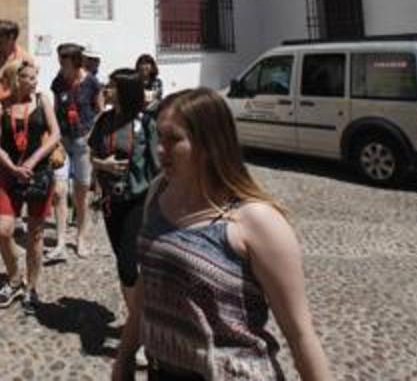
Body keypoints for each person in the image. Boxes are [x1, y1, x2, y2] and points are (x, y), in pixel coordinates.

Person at [140, 89, 332, 380]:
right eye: (159, 137)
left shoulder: (258, 221)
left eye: (173, 139)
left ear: (209, 145)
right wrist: (126, 354)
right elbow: (149, 282)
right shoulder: (158, 193)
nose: (160, 149)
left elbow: (300, 334)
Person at [88, 69, 158, 379]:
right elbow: (91, 153)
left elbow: (158, 168)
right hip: (110, 202)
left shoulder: (146, 124)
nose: (107, 89)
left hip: (137, 202)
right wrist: (101, 164)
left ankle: (141, 333)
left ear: (126, 90)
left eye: (113, 86)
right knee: (122, 264)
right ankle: (139, 322)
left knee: (130, 266)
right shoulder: (104, 120)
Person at [0, 60, 59, 315]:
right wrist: (12, 166)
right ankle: (15, 278)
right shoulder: (0, 106)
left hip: (39, 174)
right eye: (28, 77)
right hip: (10, 176)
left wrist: (33, 159)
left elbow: (55, 134)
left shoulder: (42, 101)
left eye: (34, 76)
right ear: (14, 79)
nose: (33, 81)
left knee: (36, 234)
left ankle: (32, 286)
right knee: (3, 231)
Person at [51, 42, 103, 257]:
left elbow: (100, 111)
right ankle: (60, 241)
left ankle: (81, 238)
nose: (60, 65)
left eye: (63, 61)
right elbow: (54, 110)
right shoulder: (58, 82)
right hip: (63, 142)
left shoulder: (92, 83)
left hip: (83, 143)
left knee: (81, 195)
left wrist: (93, 134)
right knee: (58, 191)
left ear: (74, 61)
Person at [0, 20, 35, 179]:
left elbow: (31, 89)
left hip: (14, 116)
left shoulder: (25, 59)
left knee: (15, 158)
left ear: (11, 37)